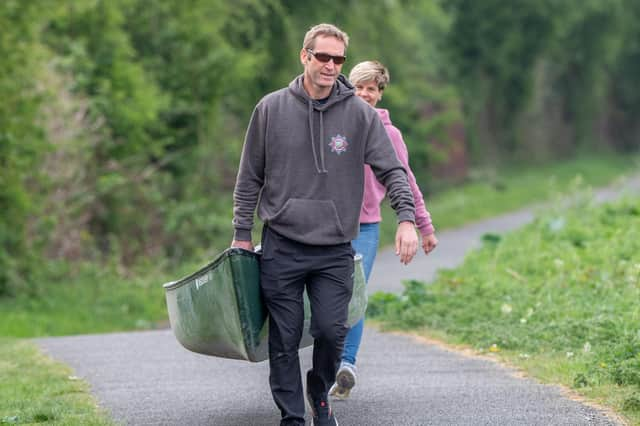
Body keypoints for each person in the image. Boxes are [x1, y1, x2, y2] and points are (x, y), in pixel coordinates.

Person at [231, 24, 419, 426]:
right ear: (305, 56)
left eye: (339, 60)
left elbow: (394, 171)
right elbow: (249, 177)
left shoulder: (359, 115)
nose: (331, 66)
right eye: (324, 57)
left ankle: (319, 393)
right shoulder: (270, 109)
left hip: (334, 247)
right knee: (284, 338)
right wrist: (242, 234)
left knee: (333, 331)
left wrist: (406, 219)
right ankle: (292, 417)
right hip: (282, 243)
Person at [330, 61, 439, 400]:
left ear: (380, 94)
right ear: (349, 89)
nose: (365, 93)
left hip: (365, 227)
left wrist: (423, 225)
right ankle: (327, 362)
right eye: (360, 86)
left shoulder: (389, 135)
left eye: (372, 89)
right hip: (327, 226)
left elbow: (405, 181)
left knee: (353, 293)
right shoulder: (334, 125)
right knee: (327, 297)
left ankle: (346, 364)